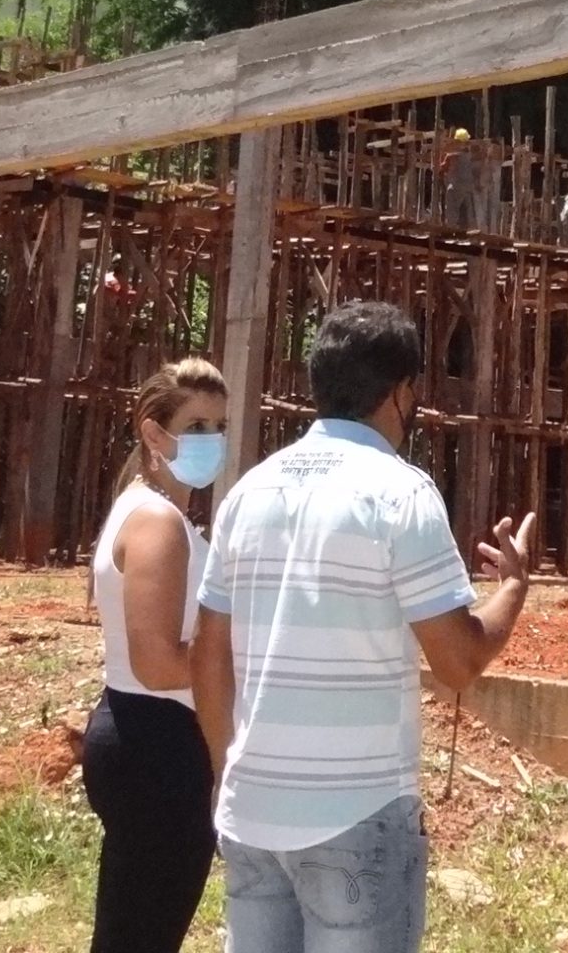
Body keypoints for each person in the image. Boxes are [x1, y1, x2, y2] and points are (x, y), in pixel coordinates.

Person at [193, 300, 535, 952]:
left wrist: (225, 772)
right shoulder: (401, 494)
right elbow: (458, 662)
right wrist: (513, 590)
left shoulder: (248, 493)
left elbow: (208, 656)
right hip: (356, 813)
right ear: (403, 392)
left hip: (252, 809)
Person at [85, 358, 229, 953]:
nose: (210, 441)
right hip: (159, 745)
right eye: (195, 426)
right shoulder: (159, 525)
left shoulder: (149, 511)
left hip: (142, 735)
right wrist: (242, 658)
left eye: (218, 426)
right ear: (153, 433)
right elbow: (159, 663)